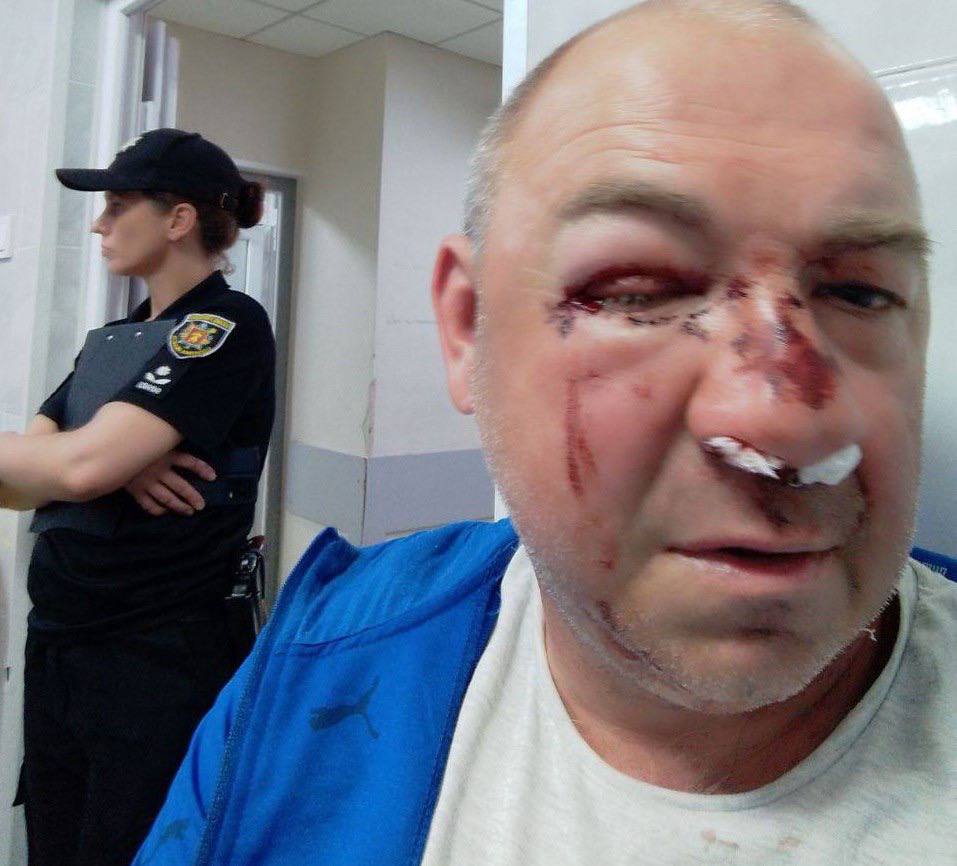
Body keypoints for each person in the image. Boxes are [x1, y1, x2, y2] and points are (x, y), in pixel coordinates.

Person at [135, 3, 957, 864]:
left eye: (860, 293)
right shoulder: (313, 671)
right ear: (467, 328)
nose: (780, 421)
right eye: (635, 291)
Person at [0, 128, 276, 866]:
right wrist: (110, 461)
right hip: (61, 643)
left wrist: (89, 461)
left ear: (178, 218)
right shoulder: (113, 340)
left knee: (135, 847)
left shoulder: (225, 325)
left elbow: (73, 469)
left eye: (118, 205)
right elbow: (24, 475)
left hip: (151, 656)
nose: (100, 224)